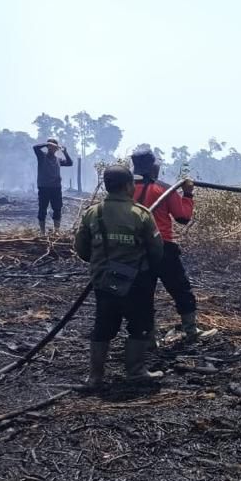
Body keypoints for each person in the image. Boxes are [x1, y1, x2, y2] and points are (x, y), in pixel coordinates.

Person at [74, 165, 165, 389]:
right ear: (127, 186)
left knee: (103, 326)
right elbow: (157, 250)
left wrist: (102, 264)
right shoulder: (141, 214)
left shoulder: (93, 213)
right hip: (136, 282)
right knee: (139, 324)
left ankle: (95, 377)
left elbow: (82, 249)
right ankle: (136, 371)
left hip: (103, 281)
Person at [131, 148, 208, 340]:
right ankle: (191, 330)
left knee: (143, 295)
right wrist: (188, 195)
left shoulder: (124, 189)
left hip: (135, 250)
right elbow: (183, 217)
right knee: (180, 289)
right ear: (152, 167)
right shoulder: (164, 189)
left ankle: (148, 338)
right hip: (163, 248)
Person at [31, 138, 74, 235]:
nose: (52, 149)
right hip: (44, 187)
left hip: (56, 188)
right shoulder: (42, 156)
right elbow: (35, 147)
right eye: (50, 147)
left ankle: (56, 231)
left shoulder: (58, 160)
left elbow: (70, 163)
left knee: (57, 208)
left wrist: (65, 152)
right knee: (42, 209)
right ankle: (42, 232)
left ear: (56, 149)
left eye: (54, 148)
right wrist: (47, 143)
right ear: (48, 147)